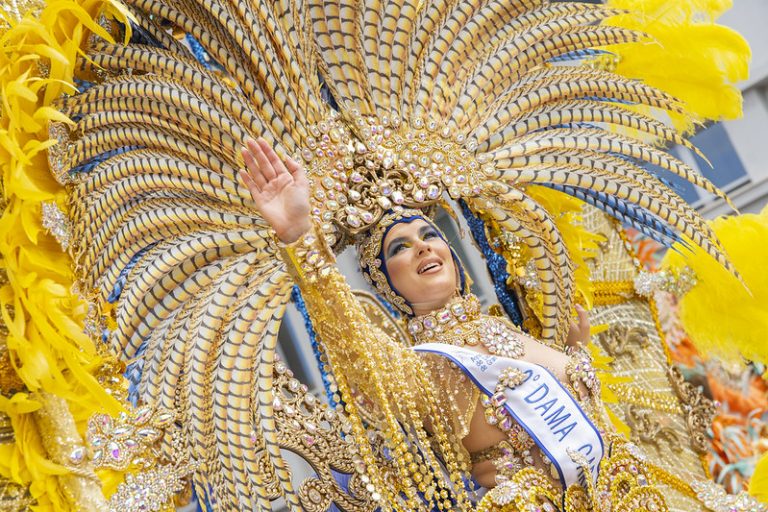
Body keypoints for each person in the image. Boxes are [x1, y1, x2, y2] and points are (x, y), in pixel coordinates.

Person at [238, 137, 664, 511]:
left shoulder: (510, 326)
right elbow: (352, 340)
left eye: (429, 234)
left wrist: (577, 349)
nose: (422, 247)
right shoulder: (417, 369)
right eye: (400, 248)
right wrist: (300, 237)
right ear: (386, 282)